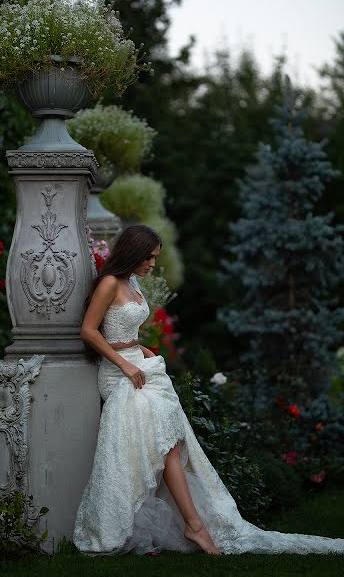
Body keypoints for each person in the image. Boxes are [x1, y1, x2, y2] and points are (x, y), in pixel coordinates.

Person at [73, 225, 344, 556]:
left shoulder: (131, 282)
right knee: (166, 443)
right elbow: (89, 331)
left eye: (155, 259)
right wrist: (124, 363)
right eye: (150, 258)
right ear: (134, 252)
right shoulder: (109, 283)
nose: (152, 265)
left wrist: (139, 349)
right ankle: (193, 525)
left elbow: (122, 328)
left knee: (170, 441)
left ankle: (194, 524)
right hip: (119, 376)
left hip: (139, 367)